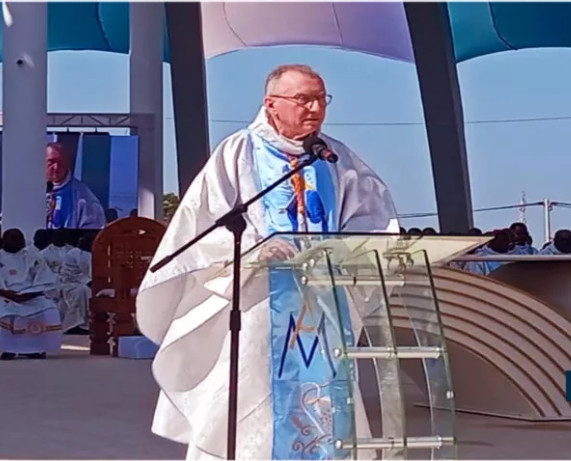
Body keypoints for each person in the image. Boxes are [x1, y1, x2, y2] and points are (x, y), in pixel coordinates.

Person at [136, 64, 399, 459]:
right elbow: (204, 224)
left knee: (325, 404)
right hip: (259, 303)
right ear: (271, 104)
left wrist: (347, 251)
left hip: (322, 307)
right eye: (303, 99)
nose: (315, 108)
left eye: (321, 99)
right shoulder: (239, 152)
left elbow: (374, 224)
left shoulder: (336, 159)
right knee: (249, 409)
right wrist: (256, 250)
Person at [0, 229, 62, 360]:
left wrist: (30, 294)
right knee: (3, 311)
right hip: (5, 295)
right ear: (4, 241)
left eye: (20, 239)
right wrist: (7, 294)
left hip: (30, 293)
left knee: (49, 309)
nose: (19, 242)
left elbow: (44, 278)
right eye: (14, 239)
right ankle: (8, 348)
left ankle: (34, 349)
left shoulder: (32, 256)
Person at [46, 142, 106, 229]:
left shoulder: (84, 197)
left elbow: (93, 230)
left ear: (67, 163)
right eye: (51, 162)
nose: (56, 167)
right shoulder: (29, 189)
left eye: (60, 162)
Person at [59, 235, 93, 333]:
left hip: (84, 282)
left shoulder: (92, 253)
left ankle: (90, 324)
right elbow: (74, 273)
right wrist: (89, 281)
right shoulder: (75, 254)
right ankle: (76, 325)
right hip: (70, 283)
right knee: (82, 292)